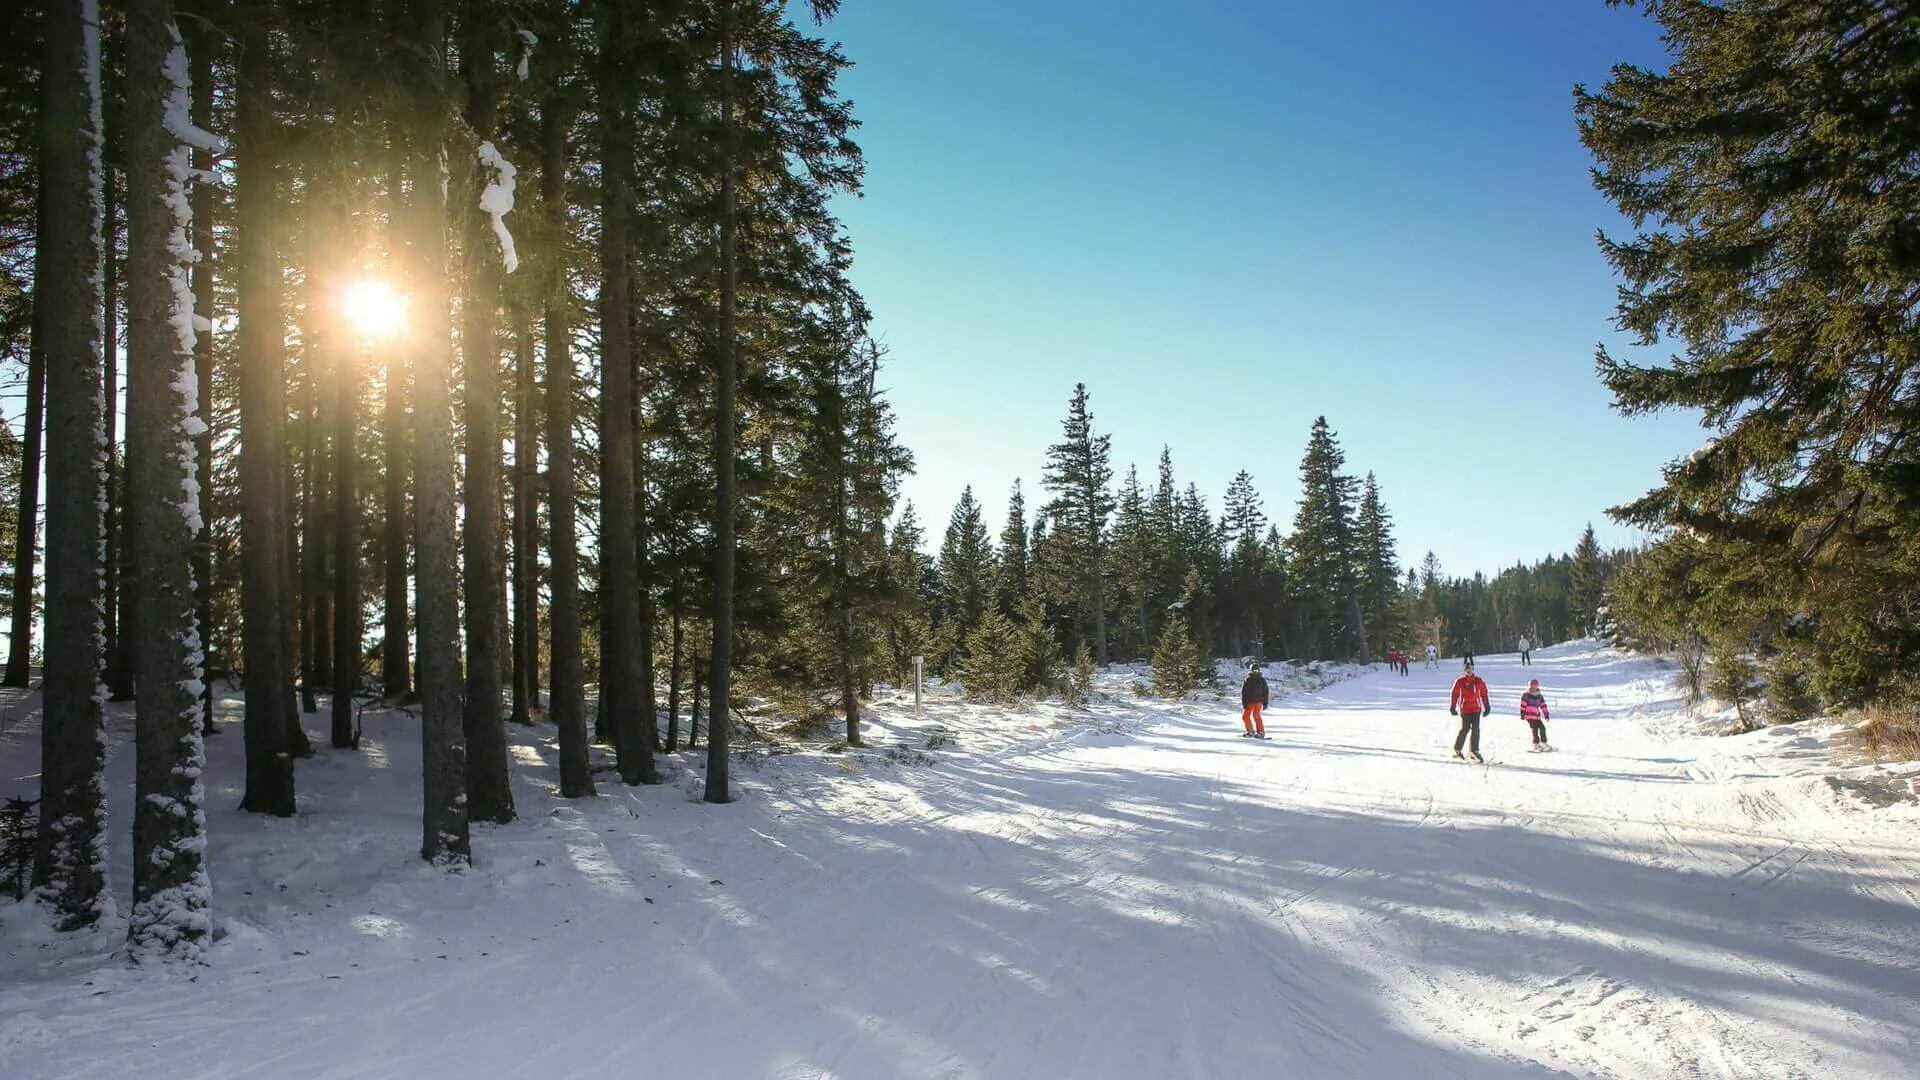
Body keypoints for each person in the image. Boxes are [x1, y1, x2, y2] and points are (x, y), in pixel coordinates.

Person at [1449, 657, 1490, 761]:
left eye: (1471, 669)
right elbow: (1454, 694)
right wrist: (1453, 707)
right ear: (1464, 671)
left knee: (1476, 730)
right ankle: (1457, 749)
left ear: (1473, 670)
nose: (1469, 671)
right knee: (1465, 729)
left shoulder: (1478, 681)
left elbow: (1484, 694)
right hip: (1465, 709)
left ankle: (1474, 751)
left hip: (1476, 709)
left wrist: (1487, 707)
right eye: (1467, 670)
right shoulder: (1460, 681)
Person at [1520, 678, 1551, 751]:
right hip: (1529, 716)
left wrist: (1546, 714)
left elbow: (1543, 705)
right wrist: (1522, 713)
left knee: (1542, 728)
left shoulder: (1539, 696)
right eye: (1531, 687)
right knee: (1535, 729)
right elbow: (1523, 705)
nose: (1533, 688)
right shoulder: (1526, 695)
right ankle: (1536, 744)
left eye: (1534, 687)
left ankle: (1544, 743)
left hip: (1536, 716)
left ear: (1537, 687)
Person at [1240, 664, 1269, 739]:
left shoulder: (1262, 680)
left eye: (1257, 670)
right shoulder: (1247, 680)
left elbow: (1265, 691)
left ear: (1259, 671)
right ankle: (1250, 731)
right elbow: (1243, 692)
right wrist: (1244, 702)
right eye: (1254, 670)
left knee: (1256, 715)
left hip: (1258, 701)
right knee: (1245, 716)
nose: (1255, 672)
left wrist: (1265, 702)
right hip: (1249, 701)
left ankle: (1261, 732)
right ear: (1251, 671)